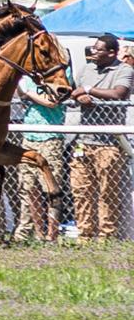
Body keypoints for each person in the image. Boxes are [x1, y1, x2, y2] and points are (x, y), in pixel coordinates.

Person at [68, 33, 133, 241]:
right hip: (83, 142)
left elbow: (118, 94)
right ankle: (85, 235)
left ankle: (107, 236)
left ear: (112, 52)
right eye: (93, 48)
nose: (93, 52)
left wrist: (89, 90)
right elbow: (72, 90)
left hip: (109, 143)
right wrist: (80, 95)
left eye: (98, 49)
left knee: (108, 192)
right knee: (81, 190)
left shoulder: (124, 70)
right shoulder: (87, 69)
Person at [12, 67, 71, 243]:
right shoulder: (28, 76)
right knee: (30, 188)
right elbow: (19, 95)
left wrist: (29, 92)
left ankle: (52, 235)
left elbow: (53, 101)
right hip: (29, 136)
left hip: (50, 136)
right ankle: (38, 234)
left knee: (52, 188)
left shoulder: (60, 75)